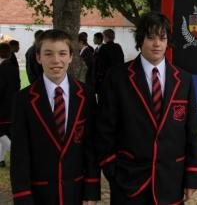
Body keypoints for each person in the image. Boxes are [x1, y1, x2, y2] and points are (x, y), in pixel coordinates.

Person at [96, 12, 197, 204]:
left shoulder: (183, 79)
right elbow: (104, 128)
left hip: (171, 180)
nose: (157, 44)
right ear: (140, 40)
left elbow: (192, 131)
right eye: (150, 37)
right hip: (129, 181)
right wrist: (112, 169)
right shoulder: (118, 77)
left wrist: (192, 175)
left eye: (162, 38)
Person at [10, 29, 100, 204]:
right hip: (39, 195)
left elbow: (91, 146)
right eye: (48, 53)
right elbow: (20, 154)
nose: (56, 60)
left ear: (71, 56)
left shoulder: (86, 95)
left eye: (62, 53)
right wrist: (22, 197)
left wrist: (91, 188)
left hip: (76, 192)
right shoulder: (23, 99)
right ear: (38, 57)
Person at [0, 42, 20, 167]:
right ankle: (1, 159)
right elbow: (17, 85)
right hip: (11, 104)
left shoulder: (2, 68)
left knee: (1, 132)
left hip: (2, 105)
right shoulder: (12, 67)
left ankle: (17, 155)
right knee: (4, 132)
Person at [94, 28, 124, 94]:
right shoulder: (118, 47)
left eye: (104, 36)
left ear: (106, 37)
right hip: (117, 76)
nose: (103, 38)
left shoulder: (104, 48)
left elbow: (100, 64)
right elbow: (122, 61)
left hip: (106, 78)